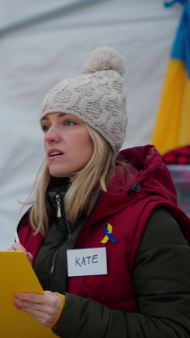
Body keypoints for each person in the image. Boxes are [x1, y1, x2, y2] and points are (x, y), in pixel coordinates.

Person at [10, 46, 190, 337]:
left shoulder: (151, 221)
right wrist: (14, 281)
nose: (50, 135)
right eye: (46, 125)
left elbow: (175, 330)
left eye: (68, 122)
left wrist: (69, 315)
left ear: (101, 136)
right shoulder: (37, 221)